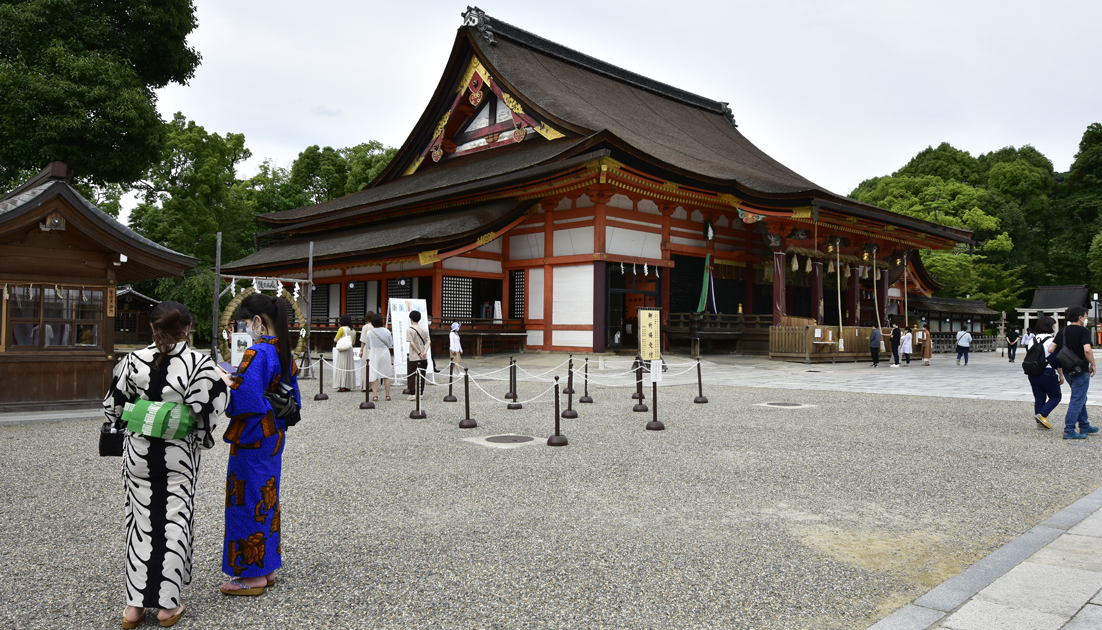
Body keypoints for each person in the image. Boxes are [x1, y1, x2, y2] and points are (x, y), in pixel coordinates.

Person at [104, 301, 229, 628]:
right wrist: (199, 431)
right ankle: (166, 607)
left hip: (139, 452)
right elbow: (215, 407)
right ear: (187, 328)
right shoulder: (199, 363)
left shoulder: (132, 360)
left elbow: (113, 407)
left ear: (152, 328)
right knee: (174, 520)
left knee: (140, 522)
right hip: (178, 454)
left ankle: (133, 607)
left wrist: (135, 419)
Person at [217, 293, 301, 595]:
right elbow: (292, 397)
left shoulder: (258, 351)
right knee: (267, 497)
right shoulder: (284, 351)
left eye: (244, 323)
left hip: (252, 436)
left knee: (247, 498)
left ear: (256, 321)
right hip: (274, 435)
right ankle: (266, 566)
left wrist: (228, 382)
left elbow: (246, 399)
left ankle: (251, 574)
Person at [1048, 306, 1097, 439]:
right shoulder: (1083, 332)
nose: (1086, 319)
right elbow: (1087, 350)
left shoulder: (1062, 332)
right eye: (1086, 316)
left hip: (1068, 370)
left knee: (1081, 398)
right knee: (1077, 399)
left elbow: (1051, 349)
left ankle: (1084, 425)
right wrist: (1093, 364)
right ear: (1080, 318)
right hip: (1081, 370)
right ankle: (1069, 430)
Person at [1027, 316, 1060, 430]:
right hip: (1047, 370)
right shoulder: (1052, 340)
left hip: (1033, 371)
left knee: (1039, 398)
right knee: (1056, 396)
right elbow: (1056, 359)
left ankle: (1039, 422)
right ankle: (1043, 415)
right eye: (1054, 324)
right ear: (1050, 326)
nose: (1055, 327)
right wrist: (1060, 374)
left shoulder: (1033, 339)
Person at [364, 313, 394, 401]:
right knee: (386, 374)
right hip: (385, 353)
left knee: (374, 374)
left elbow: (368, 346)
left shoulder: (370, 332)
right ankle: (387, 395)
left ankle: (375, 395)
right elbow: (390, 344)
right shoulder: (387, 331)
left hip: (374, 353)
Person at [406, 310, 430, 401]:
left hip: (414, 356)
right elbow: (429, 341)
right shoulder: (424, 329)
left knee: (412, 374)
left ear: (411, 319)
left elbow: (412, 343)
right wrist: (424, 352)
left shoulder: (409, 330)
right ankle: (420, 393)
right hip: (424, 356)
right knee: (422, 375)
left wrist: (419, 353)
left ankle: (412, 393)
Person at [333, 313, 357, 392]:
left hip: (343, 350)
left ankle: (342, 385)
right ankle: (348, 385)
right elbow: (353, 343)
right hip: (350, 350)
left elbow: (336, 339)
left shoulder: (341, 329)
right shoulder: (354, 331)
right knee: (349, 366)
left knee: (342, 366)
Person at [359, 311, 375, 391]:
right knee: (373, 367)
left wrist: (361, 350)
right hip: (374, 348)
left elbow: (363, 340)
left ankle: (365, 386)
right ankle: (373, 385)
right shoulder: (376, 326)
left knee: (365, 366)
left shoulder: (365, 327)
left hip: (367, 348)